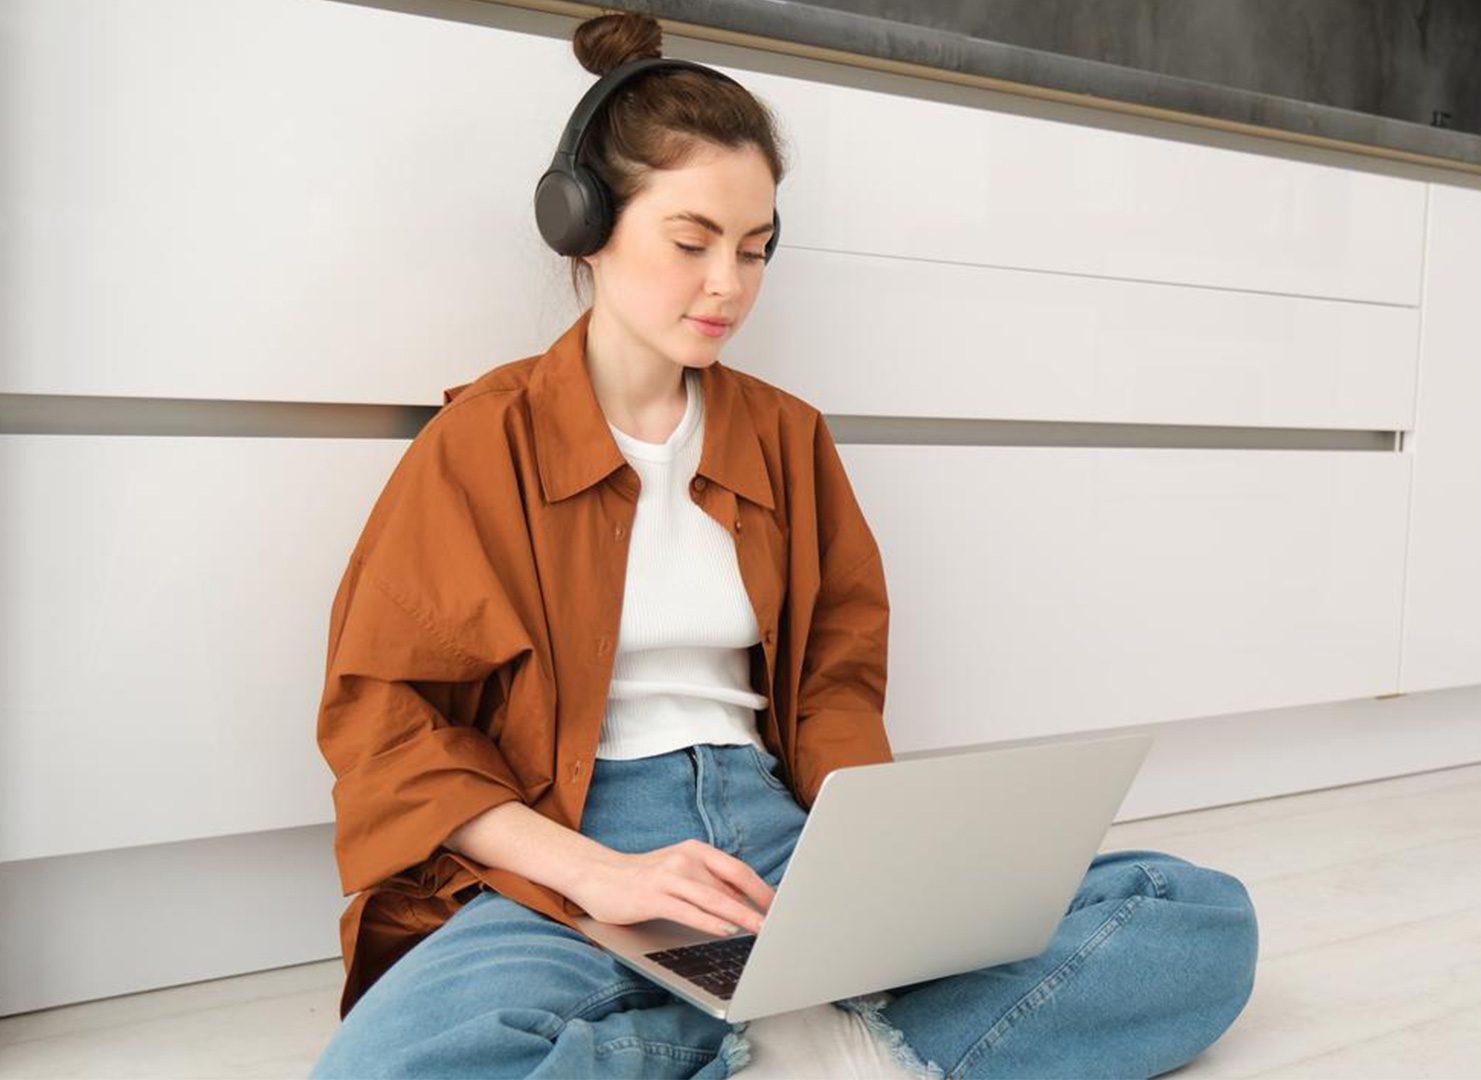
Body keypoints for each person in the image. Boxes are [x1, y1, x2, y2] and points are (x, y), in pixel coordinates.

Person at [309, 10, 1259, 1078]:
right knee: (381, 1070)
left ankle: (809, 1038)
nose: (729, 283)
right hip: (571, 852)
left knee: (1191, 917)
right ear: (584, 224)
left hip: (777, 830)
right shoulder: (485, 441)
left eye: (755, 249)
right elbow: (387, 726)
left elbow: (835, 685)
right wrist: (599, 876)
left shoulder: (786, 438)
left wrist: (869, 882)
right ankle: (796, 1042)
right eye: (692, 243)